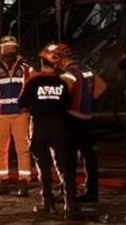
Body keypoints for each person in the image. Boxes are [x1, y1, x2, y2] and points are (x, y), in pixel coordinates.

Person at [18, 45, 78, 218]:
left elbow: (20, 103)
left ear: (41, 62)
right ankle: (71, 205)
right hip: (60, 127)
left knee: (43, 168)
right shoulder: (62, 83)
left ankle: (48, 204)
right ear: (56, 65)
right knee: (64, 167)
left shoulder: (32, 82)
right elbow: (68, 104)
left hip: (39, 127)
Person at [0, 35, 32, 196]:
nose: (9, 51)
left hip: (20, 116)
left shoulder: (26, 70)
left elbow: (32, 93)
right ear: (0, 50)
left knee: (23, 150)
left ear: (16, 50)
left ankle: (24, 183)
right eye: (6, 48)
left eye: (12, 48)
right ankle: (2, 181)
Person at [53, 42, 103, 204]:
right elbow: (101, 88)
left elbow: (63, 96)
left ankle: (68, 192)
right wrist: (87, 100)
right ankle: (92, 192)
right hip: (88, 119)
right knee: (89, 157)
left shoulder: (68, 74)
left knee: (68, 159)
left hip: (72, 120)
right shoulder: (87, 70)